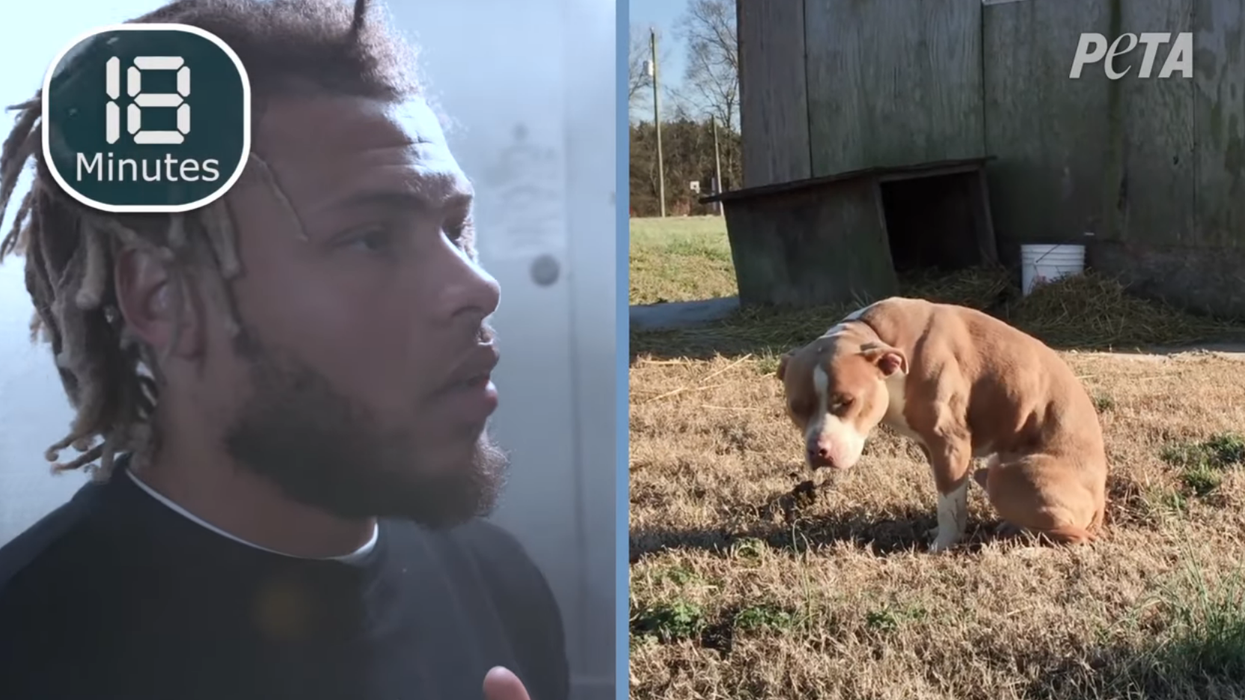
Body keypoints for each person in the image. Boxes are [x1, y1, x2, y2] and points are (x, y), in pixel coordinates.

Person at [0, 1, 570, 699]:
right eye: (370, 238)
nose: (476, 287)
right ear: (164, 300)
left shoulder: (502, 588)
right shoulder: (24, 647)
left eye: (456, 229)